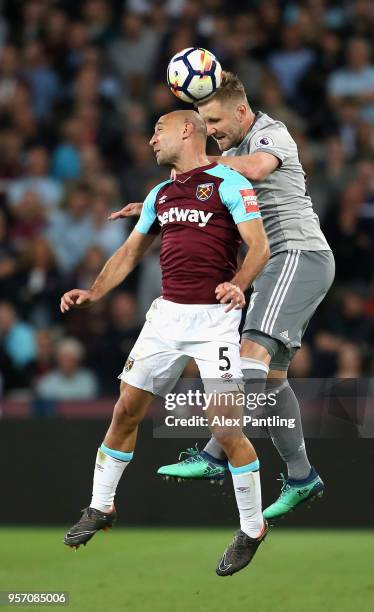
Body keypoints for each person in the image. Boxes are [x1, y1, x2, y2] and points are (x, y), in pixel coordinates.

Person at [111, 72, 335, 521]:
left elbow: (254, 169)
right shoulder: (226, 155)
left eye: (214, 120)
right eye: (204, 123)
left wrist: (197, 163)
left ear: (240, 111)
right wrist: (159, 200)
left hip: (295, 253)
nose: (210, 131)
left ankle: (214, 453)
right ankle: (301, 475)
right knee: (271, 381)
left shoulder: (270, 133)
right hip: (275, 264)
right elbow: (206, 195)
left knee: (248, 356)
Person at [61, 110, 270, 577]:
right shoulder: (159, 194)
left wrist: (238, 282)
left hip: (214, 319)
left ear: (187, 130)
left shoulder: (228, 184)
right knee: (124, 410)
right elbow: (130, 251)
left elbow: (259, 246)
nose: (151, 138)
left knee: (225, 430)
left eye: (158, 129)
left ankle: (252, 528)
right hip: (165, 318)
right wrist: (94, 291)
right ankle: (101, 506)